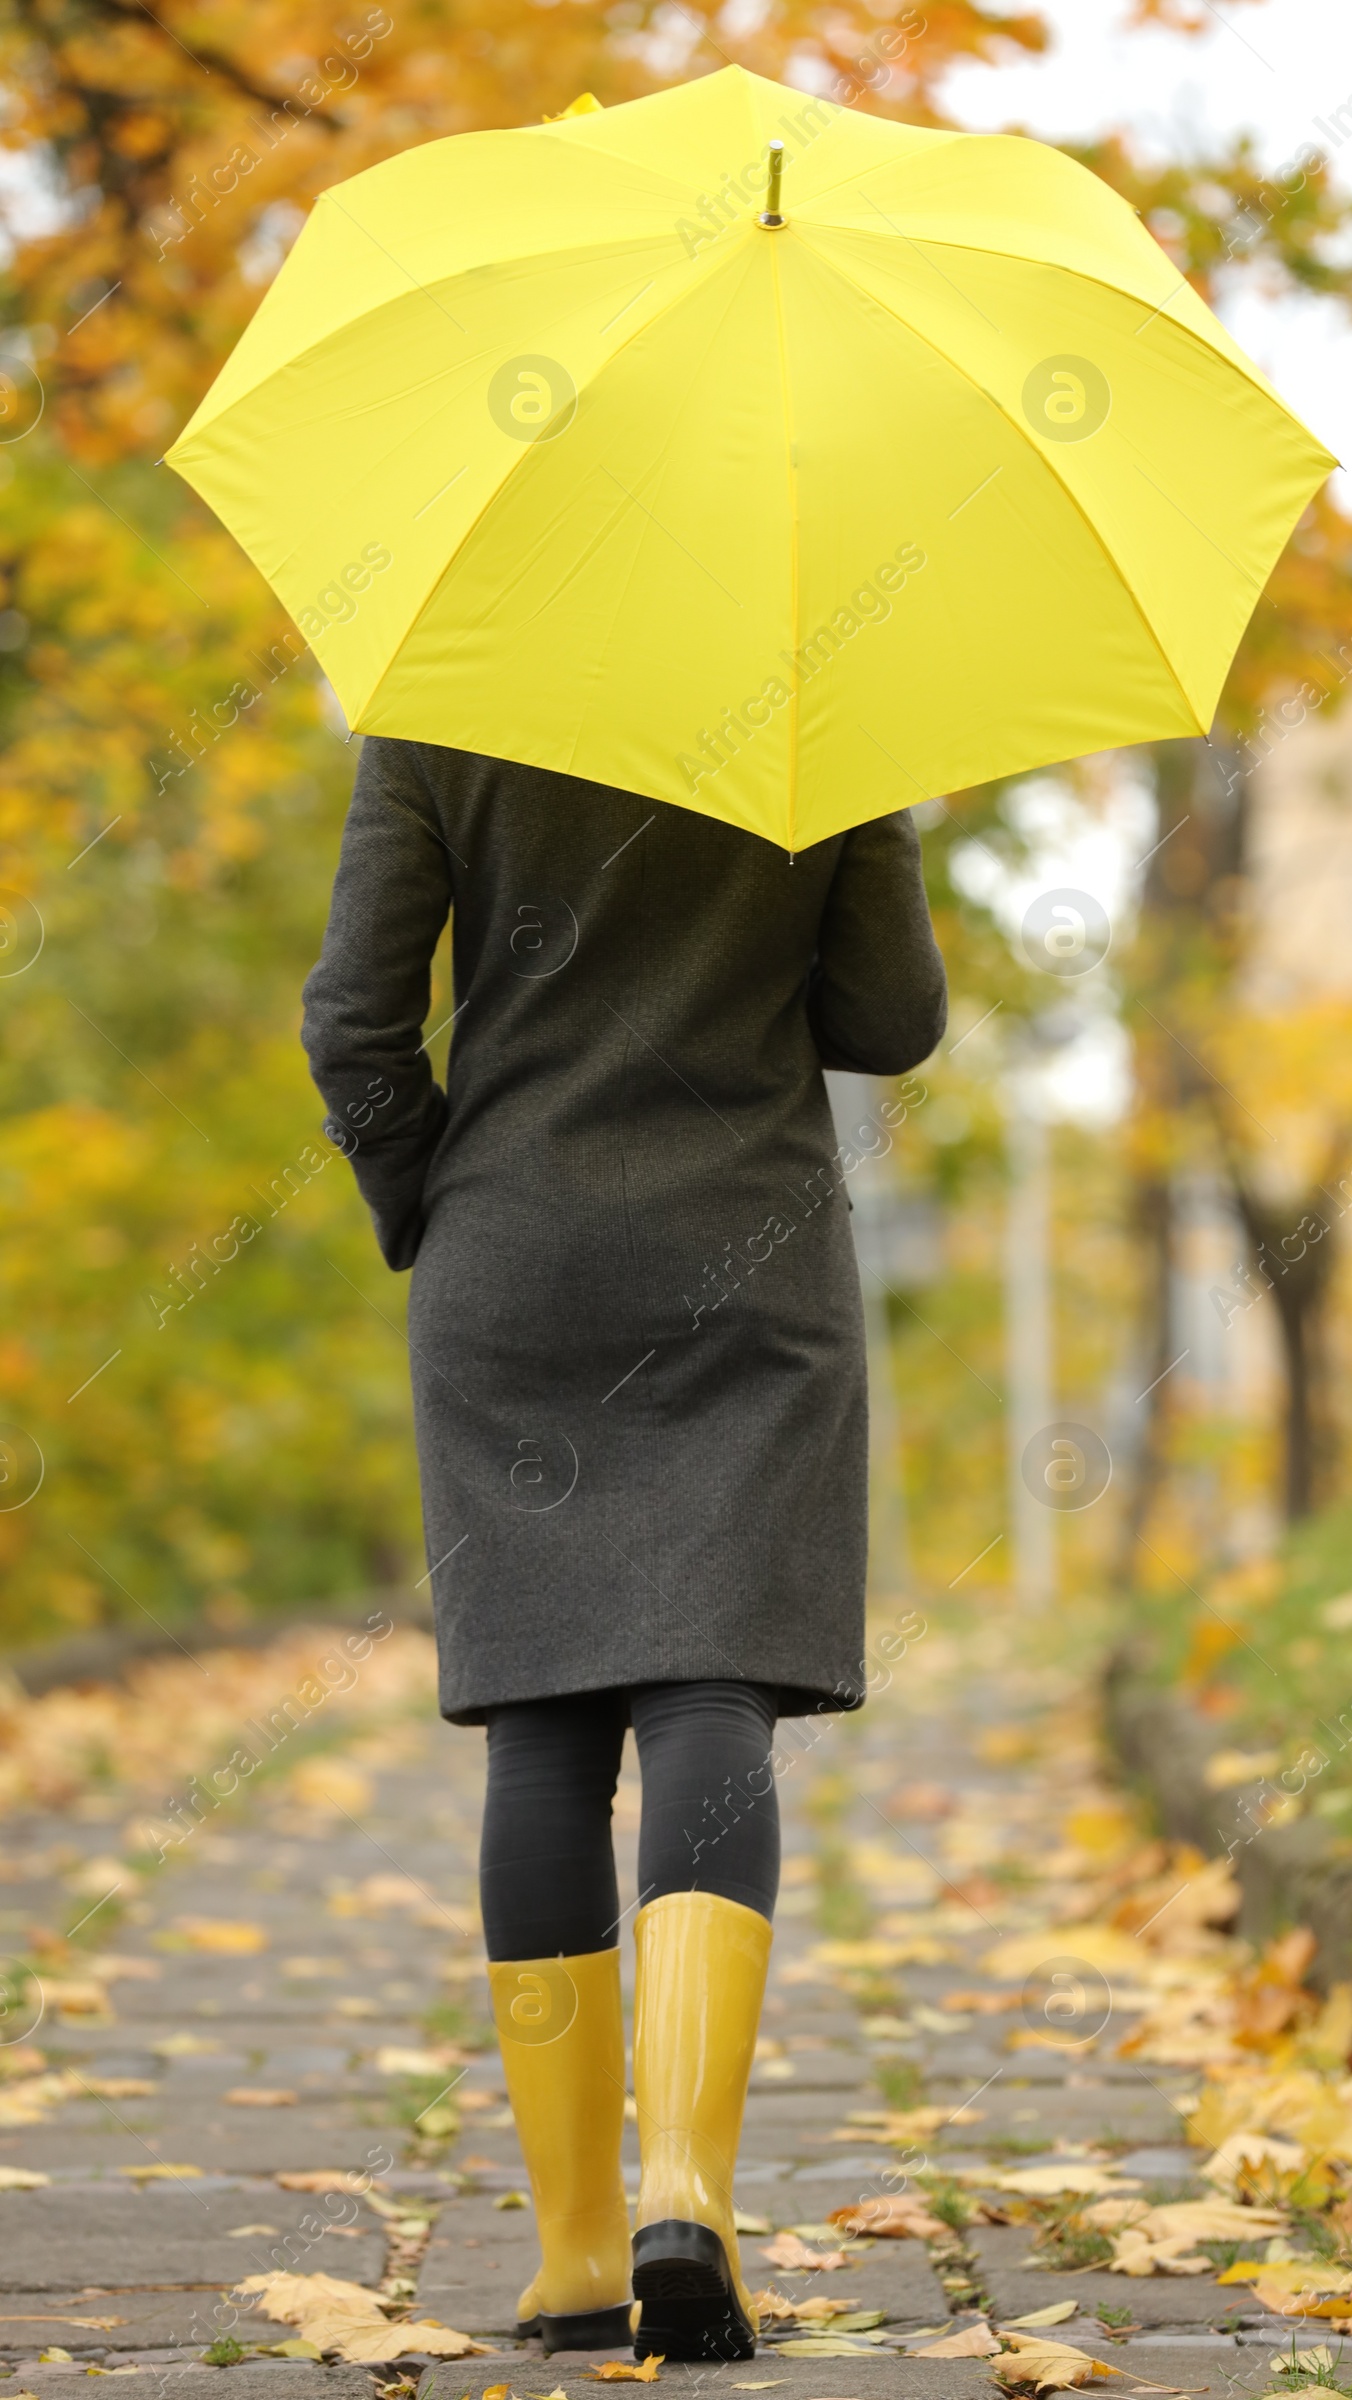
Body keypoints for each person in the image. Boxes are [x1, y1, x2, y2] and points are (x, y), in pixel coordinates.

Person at [301, 739, 947, 2362]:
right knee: (708, 1699)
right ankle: (688, 2192)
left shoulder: (442, 712)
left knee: (542, 1730)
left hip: (512, 1261)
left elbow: (354, 1026)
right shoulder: (824, 716)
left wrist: (434, 1205)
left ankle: (581, 2249)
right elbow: (892, 1023)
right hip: (751, 1256)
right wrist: (882, 806)